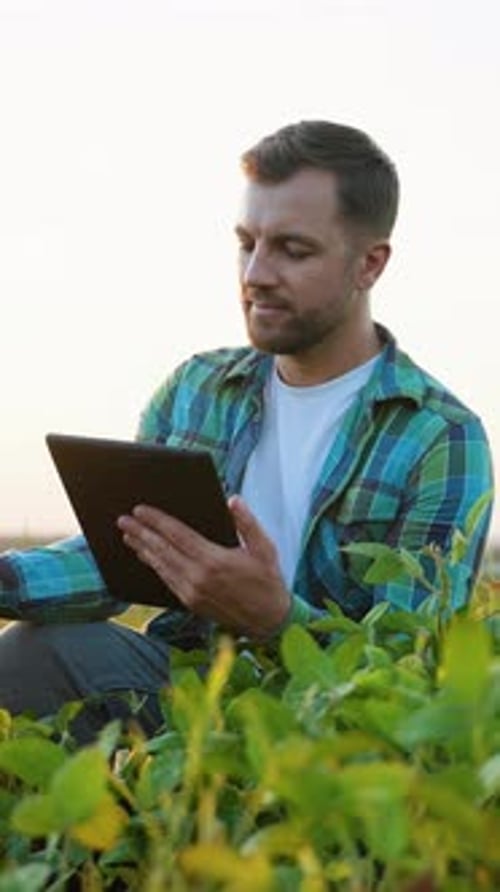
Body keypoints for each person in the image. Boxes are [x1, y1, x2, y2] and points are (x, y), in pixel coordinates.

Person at [0, 121, 493, 742]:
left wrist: (275, 617)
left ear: (370, 264)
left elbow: (407, 668)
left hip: (328, 726)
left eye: (294, 249)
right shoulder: (196, 391)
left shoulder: (439, 439)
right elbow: (118, 556)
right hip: (182, 692)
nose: (256, 273)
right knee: (29, 654)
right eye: (247, 243)